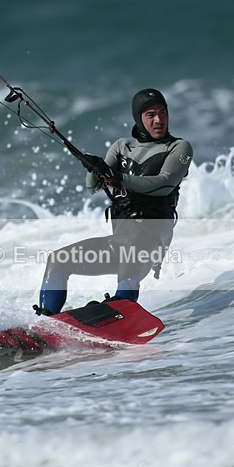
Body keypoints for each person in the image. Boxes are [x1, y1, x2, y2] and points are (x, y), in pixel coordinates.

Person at [34, 88, 193, 315]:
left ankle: (121, 310)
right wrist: (95, 166)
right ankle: (47, 322)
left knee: (133, 247)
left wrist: (117, 177)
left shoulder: (178, 147)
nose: (159, 120)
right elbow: (92, 186)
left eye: (162, 113)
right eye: (151, 115)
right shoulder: (122, 146)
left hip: (152, 237)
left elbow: (164, 184)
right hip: (122, 239)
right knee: (58, 260)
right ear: (139, 118)